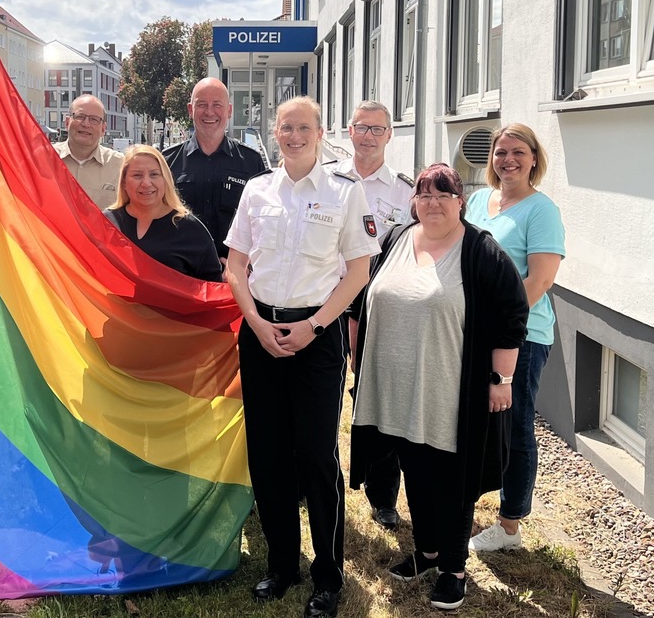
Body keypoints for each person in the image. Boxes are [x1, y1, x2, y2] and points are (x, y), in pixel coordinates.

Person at [224, 96, 379, 618]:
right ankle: (282, 565)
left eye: (303, 127)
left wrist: (314, 326)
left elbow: (358, 271)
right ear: (274, 132)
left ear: (320, 133)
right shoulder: (256, 190)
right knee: (267, 454)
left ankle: (328, 577)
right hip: (261, 330)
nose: (293, 135)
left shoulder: (344, 192)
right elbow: (235, 266)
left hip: (318, 332)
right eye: (285, 127)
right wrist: (255, 323)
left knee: (316, 454)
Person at [349, 163, 529, 610]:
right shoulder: (395, 239)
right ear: (414, 202)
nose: (432, 203)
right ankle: (427, 552)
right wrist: (358, 364)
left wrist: (501, 380)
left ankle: (453, 568)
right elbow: (363, 300)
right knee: (414, 470)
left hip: (448, 390)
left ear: (460, 201)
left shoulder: (481, 251)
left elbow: (512, 316)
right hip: (394, 389)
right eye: (424, 195)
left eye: (443, 195)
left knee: (450, 480)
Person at [465, 124, 566, 553]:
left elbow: (539, 281)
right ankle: (466, 501)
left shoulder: (540, 210)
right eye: (501, 151)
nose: (508, 159)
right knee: (476, 419)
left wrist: (497, 325)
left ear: (534, 159)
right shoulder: (477, 200)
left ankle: (509, 525)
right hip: (473, 331)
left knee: (515, 425)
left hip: (522, 336)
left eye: (518, 152)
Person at [329, 100, 415, 531]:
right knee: (322, 397)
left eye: (377, 129)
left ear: (389, 135)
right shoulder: (325, 179)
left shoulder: (405, 191)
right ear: (349, 130)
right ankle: (316, 480)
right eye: (361, 127)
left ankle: (383, 497)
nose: (368, 136)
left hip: (379, 307)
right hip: (326, 304)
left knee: (380, 399)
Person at [164, 77, 270, 261]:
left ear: (229, 110)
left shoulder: (251, 162)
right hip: (180, 274)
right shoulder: (167, 162)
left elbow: (263, 222)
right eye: (202, 104)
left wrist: (243, 266)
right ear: (191, 110)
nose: (210, 112)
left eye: (217, 105)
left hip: (232, 275)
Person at [104, 145, 221, 281]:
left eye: (154, 174)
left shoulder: (191, 230)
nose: (146, 183)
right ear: (124, 182)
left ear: (165, 180)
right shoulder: (106, 223)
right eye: (137, 175)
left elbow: (212, 289)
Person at [53, 94, 123, 209]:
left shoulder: (120, 165)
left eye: (94, 120)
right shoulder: (43, 158)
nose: (86, 124)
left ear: (103, 129)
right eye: (80, 116)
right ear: (67, 122)